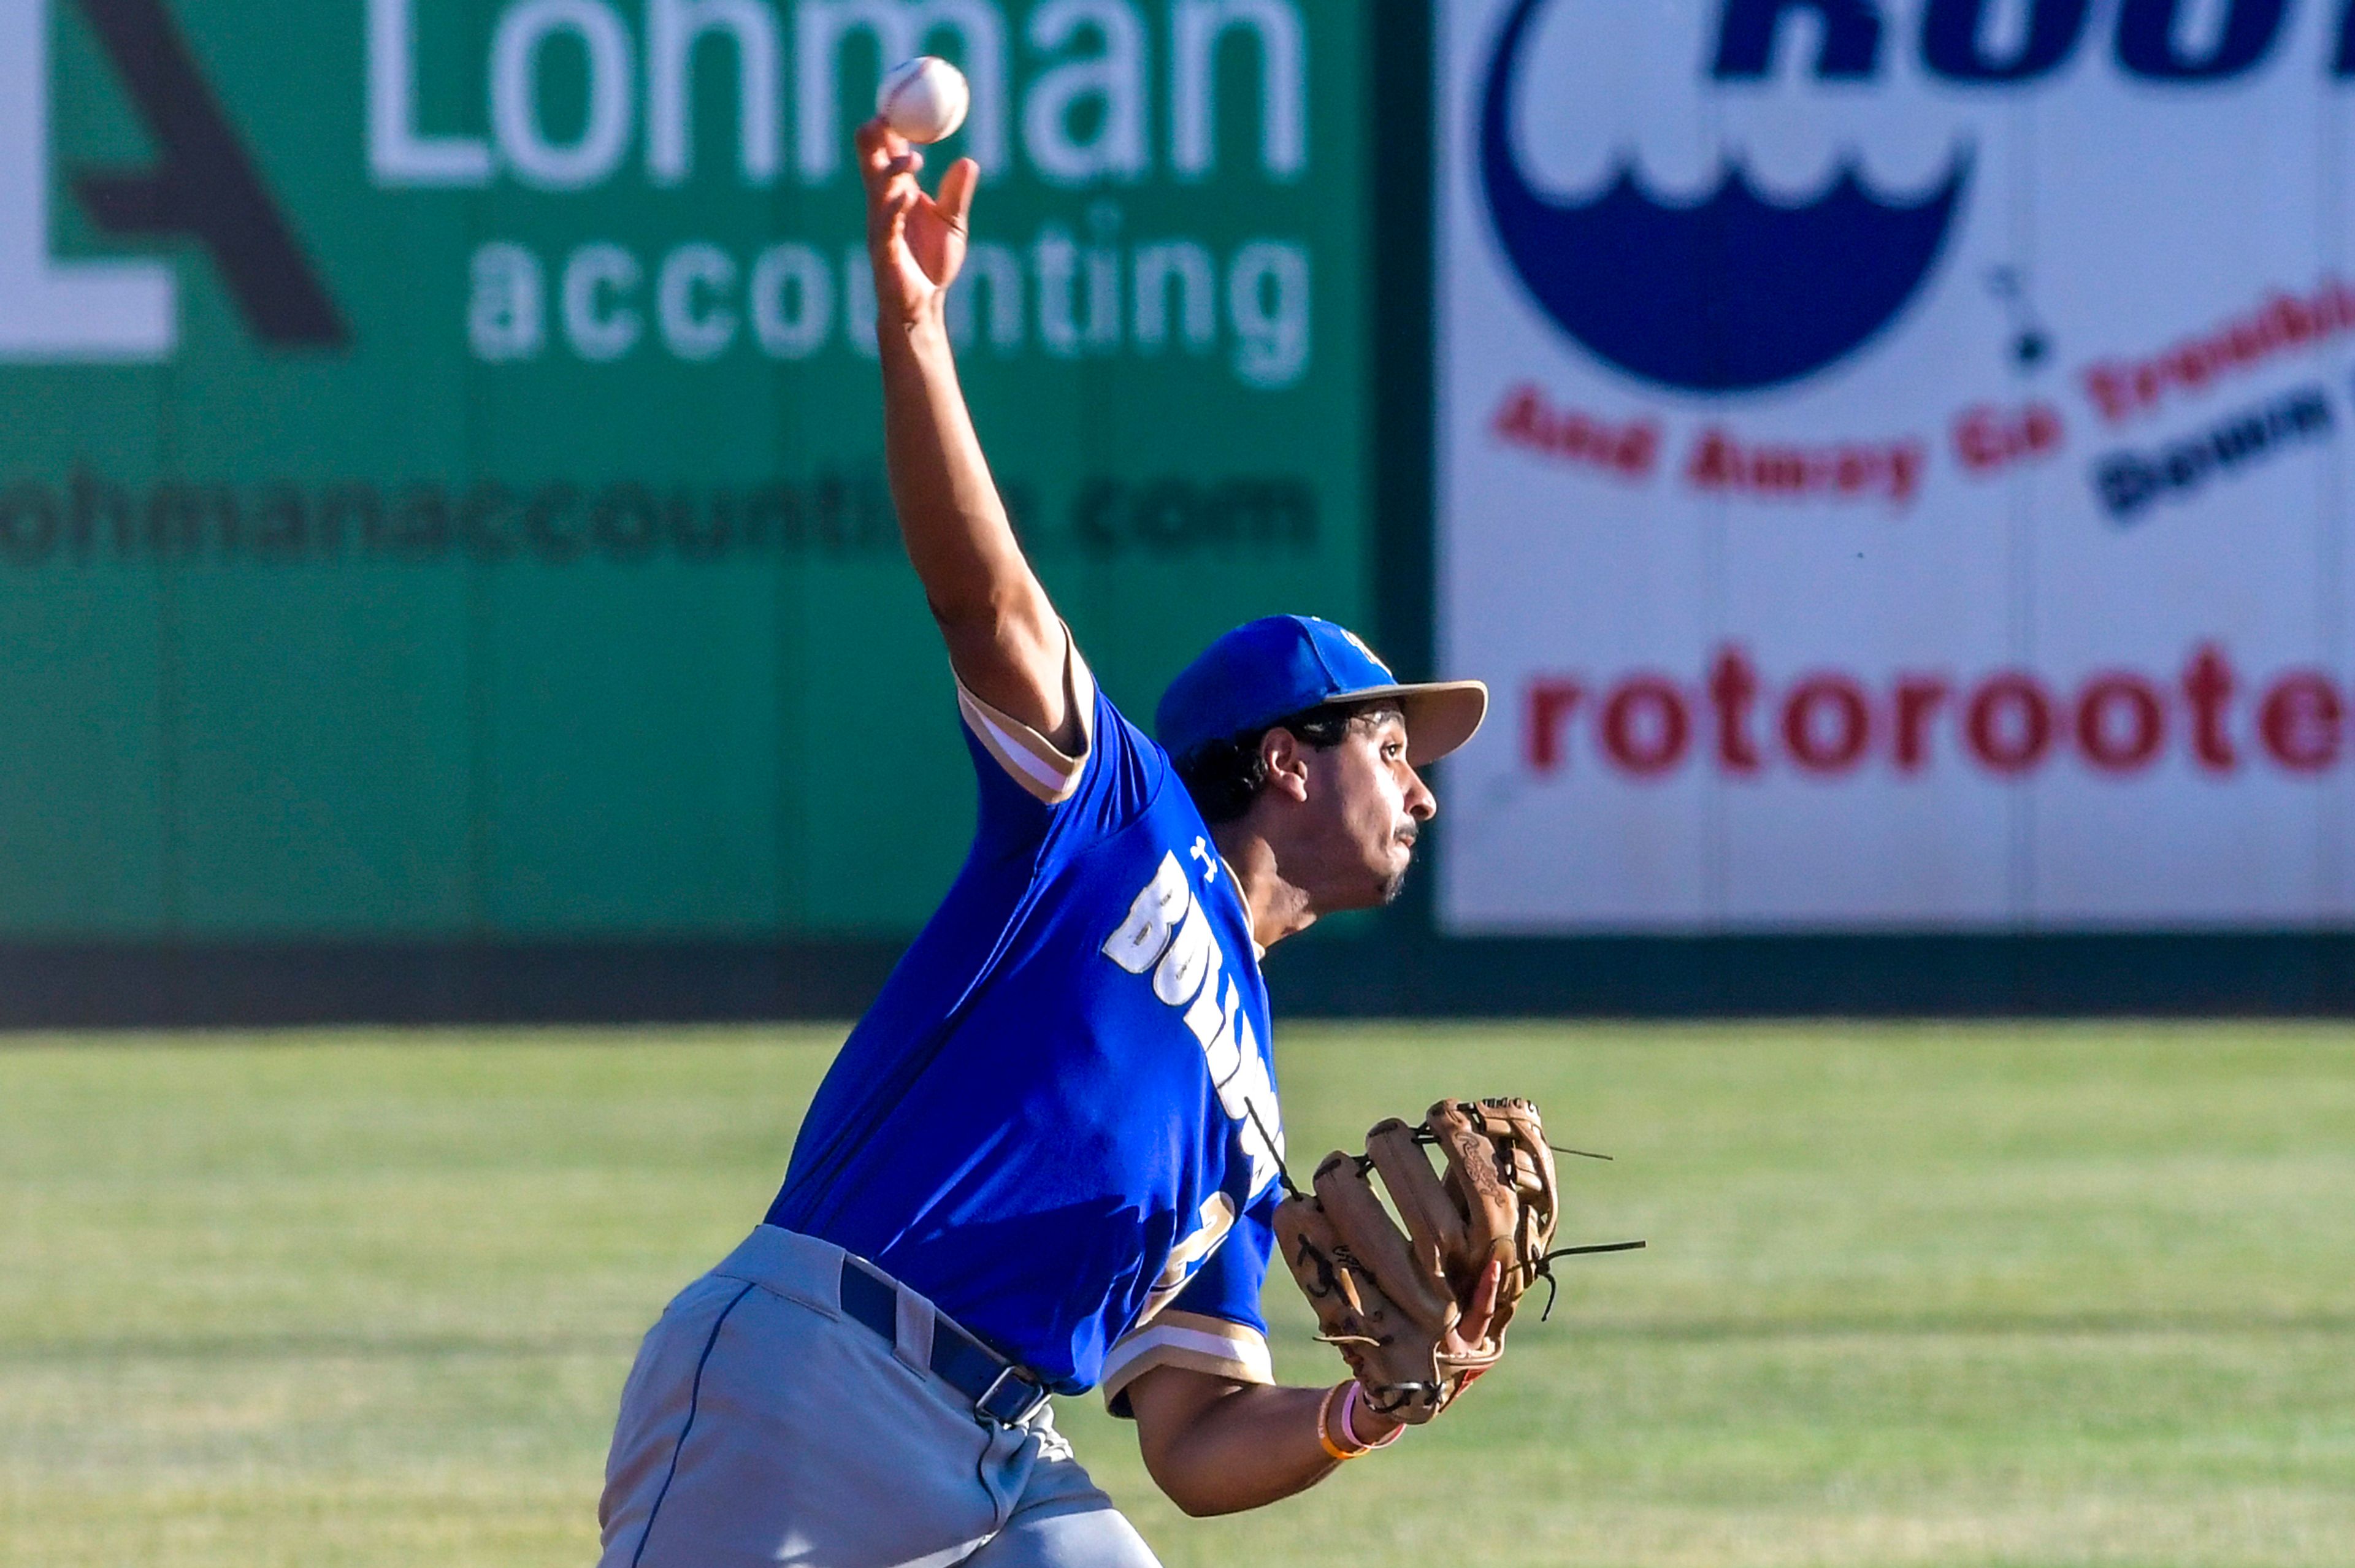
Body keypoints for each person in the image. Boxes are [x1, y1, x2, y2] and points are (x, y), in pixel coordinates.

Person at [595, 117, 1495, 1568]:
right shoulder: (1113, 820)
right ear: (1283, 759)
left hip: (1005, 1454)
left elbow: (1198, 1440)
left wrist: (1367, 1409)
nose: (1423, 789)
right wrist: (914, 328)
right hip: (815, 1379)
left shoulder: (1250, 1097)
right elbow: (985, 599)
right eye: (1390, 747)